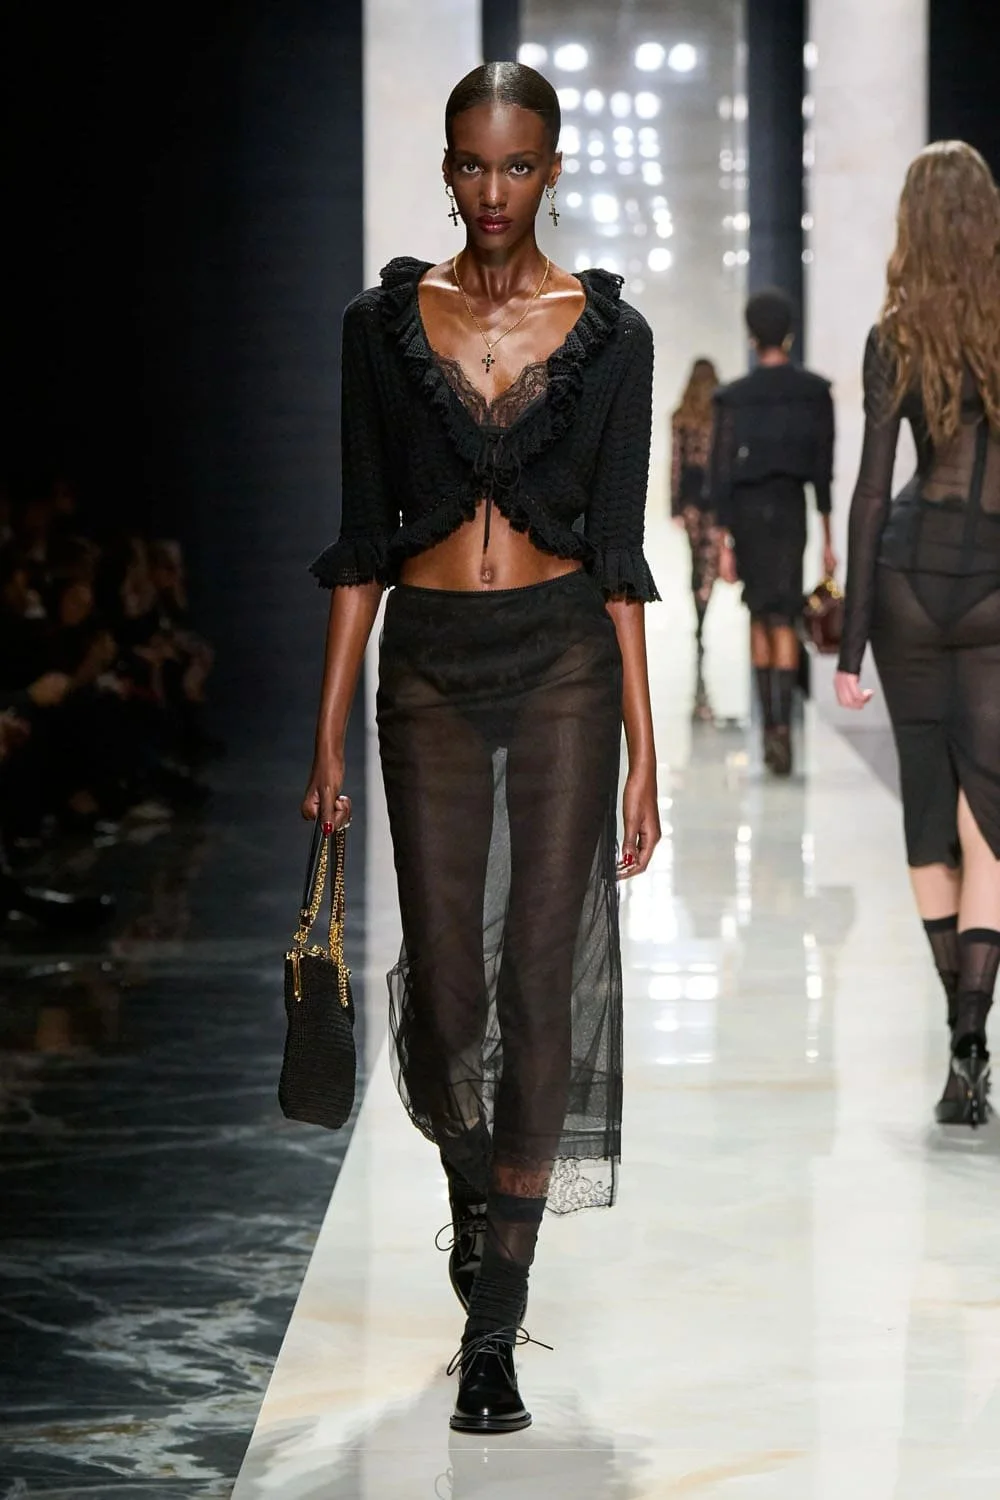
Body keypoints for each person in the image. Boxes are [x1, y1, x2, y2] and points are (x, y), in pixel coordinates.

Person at [301, 61, 660, 1434]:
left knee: (542, 972)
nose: (492, 190)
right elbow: (360, 542)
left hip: (565, 657)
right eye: (470, 164)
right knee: (451, 984)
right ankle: (474, 1188)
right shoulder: (381, 328)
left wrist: (644, 749)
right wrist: (326, 735)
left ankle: (496, 1316)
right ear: (446, 168)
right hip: (431, 668)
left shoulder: (611, 338)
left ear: (551, 169)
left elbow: (618, 556)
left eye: (516, 166)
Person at [836, 141, 1000, 1129]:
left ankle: (956, 1029)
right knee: (989, 813)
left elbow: (868, 494)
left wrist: (850, 642)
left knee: (928, 809)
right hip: (991, 593)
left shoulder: (893, 336)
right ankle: (973, 1035)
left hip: (904, 584)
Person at [709, 289, 836, 775]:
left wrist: (723, 543)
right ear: (789, 334)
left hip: (747, 515)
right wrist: (828, 539)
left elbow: (721, 474)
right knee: (784, 615)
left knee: (759, 615)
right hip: (789, 511)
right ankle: (782, 729)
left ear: (750, 336)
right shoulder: (813, 392)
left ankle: (769, 731)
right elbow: (822, 472)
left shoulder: (733, 398)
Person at [670, 357, 721, 720]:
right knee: (709, 559)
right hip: (712, 496)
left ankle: (699, 614)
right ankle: (703, 611)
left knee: (696, 559)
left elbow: (676, 463)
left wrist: (674, 506)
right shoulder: (720, 414)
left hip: (690, 497)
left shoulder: (681, 416)